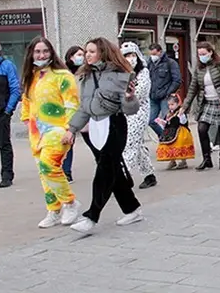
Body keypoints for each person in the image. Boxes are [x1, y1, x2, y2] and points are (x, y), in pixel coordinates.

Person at [63, 38, 143, 235]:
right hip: (95, 126)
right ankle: (132, 209)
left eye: (91, 51)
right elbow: (84, 107)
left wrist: (129, 98)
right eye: (86, 51)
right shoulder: (87, 76)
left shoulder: (120, 75)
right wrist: (72, 129)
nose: (87, 55)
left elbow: (131, 109)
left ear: (103, 52)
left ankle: (92, 216)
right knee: (112, 169)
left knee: (105, 168)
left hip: (114, 124)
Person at [19, 37, 80, 227]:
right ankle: (53, 209)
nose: (41, 55)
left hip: (58, 130)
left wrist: (70, 129)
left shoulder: (63, 76)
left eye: (45, 51)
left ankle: (70, 203)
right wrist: (26, 119)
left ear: (51, 53)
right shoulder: (30, 77)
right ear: (31, 54)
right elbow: (27, 101)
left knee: (48, 166)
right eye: (37, 52)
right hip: (36, 133)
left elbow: (72, 104)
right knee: (43, 172)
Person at [182, 41, 220, 171]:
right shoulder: (199, 68)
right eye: (199, 54)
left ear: (211, 52)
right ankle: (207, 159)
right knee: (202, 129)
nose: (201, 57)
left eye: (204, 54)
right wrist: (184, 106)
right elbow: (193, 88)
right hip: (207, 102)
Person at [119, 42, 156, 189]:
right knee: (137, 144)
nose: (130, 58)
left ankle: (123, 178)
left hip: (139, 112)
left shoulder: (143, 73)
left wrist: (124, 95)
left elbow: (139, 94)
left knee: (129, 144)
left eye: (132, 55)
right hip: (124, 112)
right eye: (126, 56)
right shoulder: (120, 74)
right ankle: (149, 175)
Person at [0, 36, 21, 188]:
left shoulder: (7, 65)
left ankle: (7, 176)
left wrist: (8, 110)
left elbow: (15, 89)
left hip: (1, 114)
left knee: (4, 145)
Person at [61, 46, 85, 182]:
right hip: (69, 113)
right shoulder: (64, 74)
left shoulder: (85, 72)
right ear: (70, 57)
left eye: (83, 54)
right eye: (79, 54)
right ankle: (66, 171)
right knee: (68, 142)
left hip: (85, 111)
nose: (82, 57)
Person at [147, 43, 182, 138]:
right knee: (151, 121)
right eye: (151, 54)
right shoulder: (149, 63)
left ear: (160, 52)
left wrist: (168, 93)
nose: (152, 56)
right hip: (153, 97)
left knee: (168, 120)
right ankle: (164, 136)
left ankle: (171, 139)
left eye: (154, 54)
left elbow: (177, 80)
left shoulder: (170, 63)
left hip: (165, 98)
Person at [155, 93, 195, 170]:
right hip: (170, 131)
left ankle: (183, 161)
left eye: (172, 104)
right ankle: (172, 160)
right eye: (169, 105)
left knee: (179, 143)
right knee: (169, 144)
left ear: (177, 103)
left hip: (180, 131)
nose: (170, 106)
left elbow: (183, 122)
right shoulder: (169, 113)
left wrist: (181, 115)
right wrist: (162, 122)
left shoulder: (180, 112)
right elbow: (168, 123)